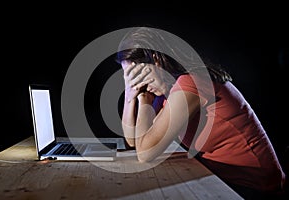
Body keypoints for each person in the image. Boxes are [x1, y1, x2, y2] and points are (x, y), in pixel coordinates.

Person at [116, 27, 286, 199]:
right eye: (128, 77)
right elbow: (134, 142)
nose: (134, 82)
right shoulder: (166, 93)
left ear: (156, 60)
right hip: (224, 181)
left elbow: (146, 153)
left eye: (135, 74)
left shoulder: (191, 83)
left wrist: (143, 98)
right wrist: (131, 95)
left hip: (257, 189)